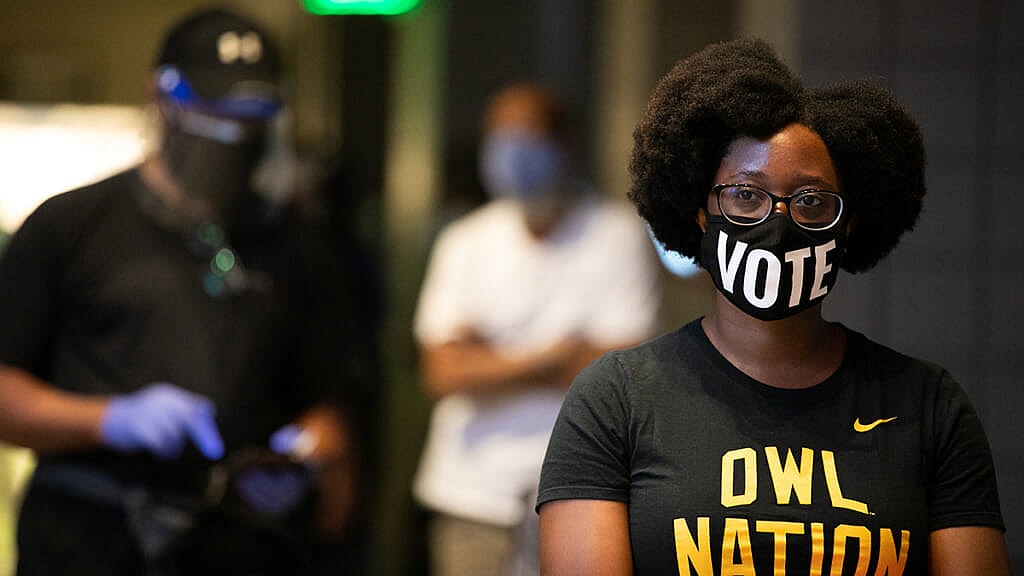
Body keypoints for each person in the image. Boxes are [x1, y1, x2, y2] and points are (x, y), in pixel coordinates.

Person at [536, 38, 1011, 575]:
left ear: (849, 224)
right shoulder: (615, 399)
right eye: (745, 194)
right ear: (700, 211)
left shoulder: (929, 406)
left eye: (810, 201)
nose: (777, 224)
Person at [0, 8, 366, 575]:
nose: (230, 135)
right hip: (86, 540)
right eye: (213, 114)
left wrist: (302, 460)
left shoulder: (300, 247)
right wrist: (109, 419)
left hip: (238, 541)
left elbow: (326, 409)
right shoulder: (70, 225)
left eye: (249, 118)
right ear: (160, 99)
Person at [412, 82, 662, 576]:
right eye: (499, 139)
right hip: (472, 494)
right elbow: (442, 372)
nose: (510, 155)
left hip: (585, 493)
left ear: (564, 144)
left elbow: (622, 377)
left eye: (525, 138)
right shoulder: (464, 243)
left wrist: (487, 357)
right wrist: (553, 357)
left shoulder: (618, 236)